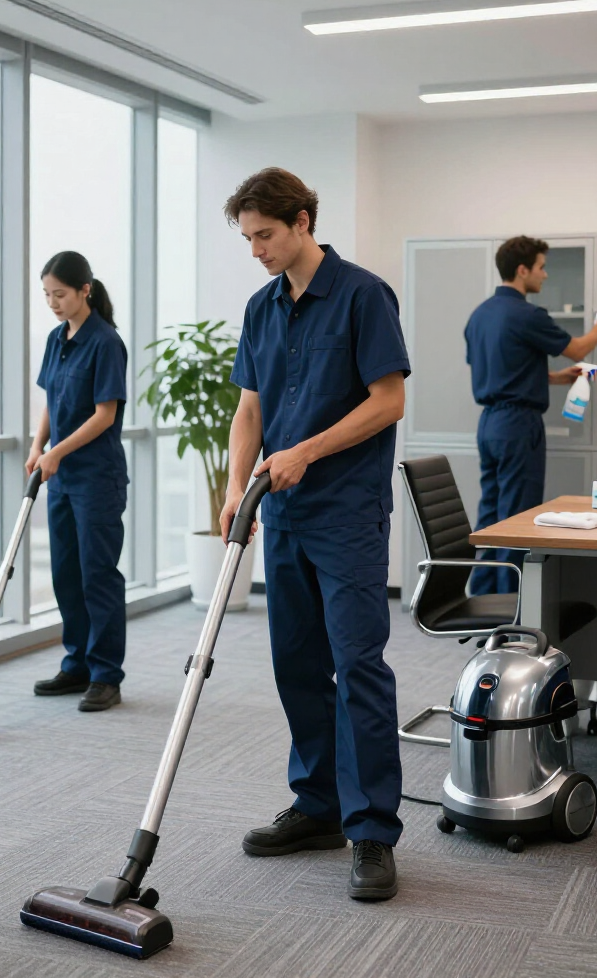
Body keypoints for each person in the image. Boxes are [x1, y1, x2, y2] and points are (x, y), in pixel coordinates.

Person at [220, 167, 411, 901]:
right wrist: (239, 485)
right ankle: (319, 807)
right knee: (297, 664)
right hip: (284, 518)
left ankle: (370, 831)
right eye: (248, 239)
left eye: (265, 235)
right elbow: (249, 410)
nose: (257, 250)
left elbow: (388, 400)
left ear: (303, 221)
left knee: (358, 663)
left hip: (346, 515)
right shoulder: (261, 309)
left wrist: (306, 452)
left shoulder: (364, 296)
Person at [465, 236, 597, 595]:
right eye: (540, 267)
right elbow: (577, 348)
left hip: (489, 425)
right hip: (518, 426)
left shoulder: (480, 315)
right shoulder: (527, 314)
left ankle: (486, 601)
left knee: (492, 517)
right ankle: (512, 608)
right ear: (522, 271)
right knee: (518, 519)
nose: (545, 275)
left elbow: (498, 371)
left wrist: (550, 378)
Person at [27, 251, 129, 712]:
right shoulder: (56, 338)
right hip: (61, 478)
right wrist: (38, 447)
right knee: (66, 574)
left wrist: (57, 452)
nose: (53, 302)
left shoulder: (105, 342)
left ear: (84, 289)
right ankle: (77, 665)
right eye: (47, 294)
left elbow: (104, 416)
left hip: (96, 478)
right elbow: (51, 398)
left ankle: (106, 674)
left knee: (97, 575)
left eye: (60, 294)